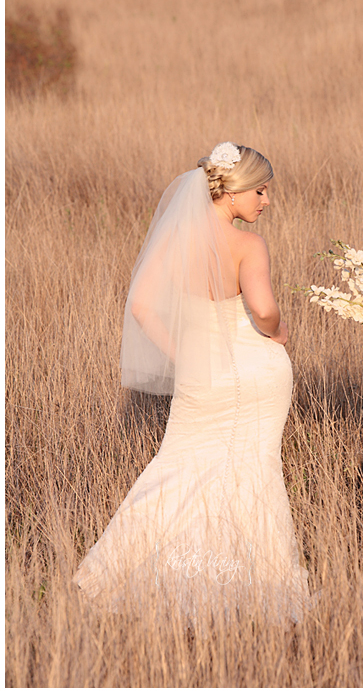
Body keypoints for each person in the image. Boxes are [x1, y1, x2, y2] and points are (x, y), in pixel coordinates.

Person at [73, 142, 311, 624]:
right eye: (261, 190)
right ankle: (253, 588)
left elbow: (140, 304)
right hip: (254, 369)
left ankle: (115, 573)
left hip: (201, 373)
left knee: (178, 466)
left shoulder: (176, 239)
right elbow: (263, 310)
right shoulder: (248, 245)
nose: (266, 201)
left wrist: (185, 358)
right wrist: (279, 329)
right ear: (234, 190)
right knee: (253, 469)